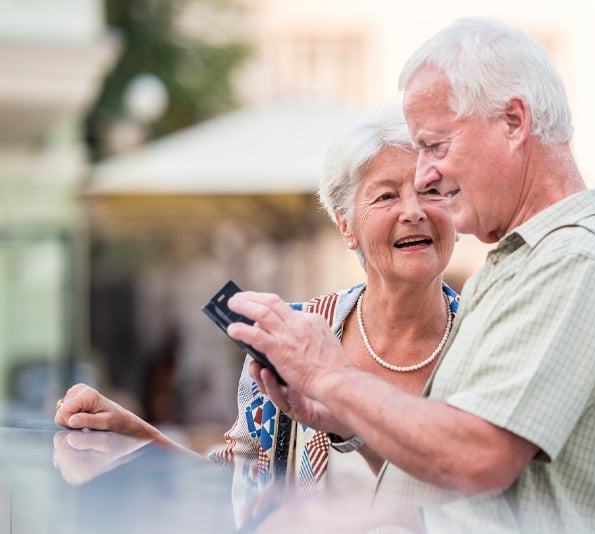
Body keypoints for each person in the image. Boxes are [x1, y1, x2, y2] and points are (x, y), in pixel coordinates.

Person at [227, 17, 595, 533]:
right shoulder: (530, 263)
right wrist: (351, 427)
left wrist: (331, 375)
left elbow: (478, 458)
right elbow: (459, 495)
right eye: (389, 194)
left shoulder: (572, 263)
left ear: (514, 122)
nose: (427, 175)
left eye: (435, 146)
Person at [54, 102, 459, 503]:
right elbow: (237, 492)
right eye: (387, 196)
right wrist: (136, 436)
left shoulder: (490, 335)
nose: (414, 211)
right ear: (346, 226)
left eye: (431, 191)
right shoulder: (289, 340)